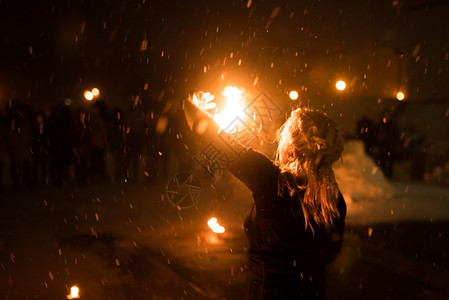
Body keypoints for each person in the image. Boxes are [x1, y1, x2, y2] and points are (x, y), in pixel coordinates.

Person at [184, 95, 346, 299]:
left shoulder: (274, 182)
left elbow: (210, 136)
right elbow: (329, 254)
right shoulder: (334, 199)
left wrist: (191, 106)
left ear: (293, 150)